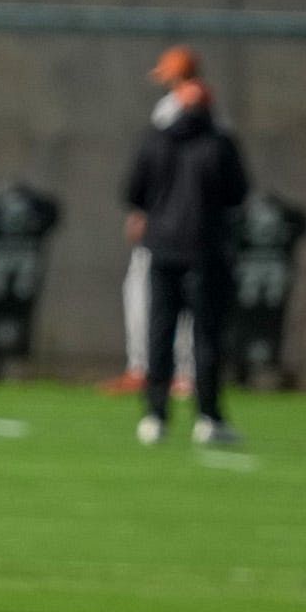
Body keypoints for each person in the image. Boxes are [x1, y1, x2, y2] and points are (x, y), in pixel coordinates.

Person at [122, 80, 249, 446]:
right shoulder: (220, 144)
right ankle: (208, 416)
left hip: (161, 250)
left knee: (159, 333)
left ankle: (155, 415)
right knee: (206, 337)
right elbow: (237, 193)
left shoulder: (154, 141)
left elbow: (133, 191)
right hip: (206, 251)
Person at [107, 47, 204, 396]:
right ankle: (158, 369)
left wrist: (142, 211)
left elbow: (156, 167)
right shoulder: (206, 114)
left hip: (166, 223)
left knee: (157, 295)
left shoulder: (174, 110)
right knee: (156, 294)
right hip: (190, 223)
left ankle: (159, 370)